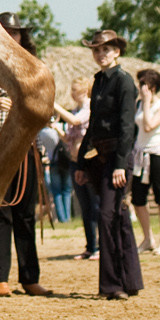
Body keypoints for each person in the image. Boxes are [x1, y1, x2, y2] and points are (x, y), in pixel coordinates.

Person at [0, 12, 52, 298]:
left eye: (15, 32)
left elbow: (44, 103)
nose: (11, 36)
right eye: (6, 31)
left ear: (22, 36)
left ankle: (30, 277)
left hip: (26, 146)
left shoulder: (33, 66)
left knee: (25, 214)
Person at [75, 30, 144, 300]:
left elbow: (127, 127)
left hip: (118, 158)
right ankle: (130, 281)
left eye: (106, 49)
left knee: (106, 216)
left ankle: (113, 285)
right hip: (99, 157)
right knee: (118, 217)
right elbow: (93, 125)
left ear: (117, 52)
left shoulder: (124, 82)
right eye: (96, 50)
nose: (100, 54)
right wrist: (81, 163)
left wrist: (120, 165)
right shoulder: (98, 81)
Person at [132, 68, 160, 254]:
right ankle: (148, 238)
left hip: (158, 154)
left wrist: (147, 102)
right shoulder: (138, 105)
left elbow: (149, 126)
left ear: (152, 87)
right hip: (140, 155)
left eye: (143, 84)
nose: (140, 87)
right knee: (138, 198)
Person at [55, 78, 97, 259]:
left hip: (88, 162)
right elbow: (68, 137)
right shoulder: (75, 110)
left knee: (94, 205)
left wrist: (54, 105)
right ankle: (90, 246)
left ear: (85, 91)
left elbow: (75, 121)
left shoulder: (89, 108)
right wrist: (56, 128)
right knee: (85, 206)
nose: (73, 94)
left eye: (76, 90)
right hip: (75, 162)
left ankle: (99, 246)